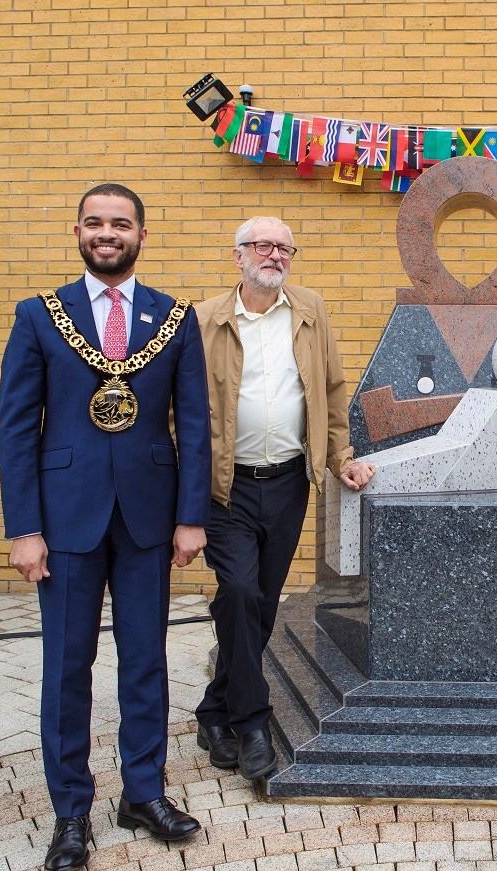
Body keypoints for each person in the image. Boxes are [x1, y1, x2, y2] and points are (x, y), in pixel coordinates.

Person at [0, 184, 211, 870]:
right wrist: (24, 527)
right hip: (64, 518)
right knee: (66, 668)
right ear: (79, 230)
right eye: (95, 222)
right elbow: (14, 428)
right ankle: (70, 811)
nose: (107, 232)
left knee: (147, 661)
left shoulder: (172, 317)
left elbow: (197, 423)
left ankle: (143, 792)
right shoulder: (39, 315)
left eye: (120, 223)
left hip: (151, 515)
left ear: (141, 234)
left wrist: (191, 517)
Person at [194, 217, 375, 782]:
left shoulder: (309, 309)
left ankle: (212, 710)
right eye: (263, 246)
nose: (275, 255)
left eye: (284, 247)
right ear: (238, 254)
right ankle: (251, 721)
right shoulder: (203, 320)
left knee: (261, 603)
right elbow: (181, 406)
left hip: (290, 480)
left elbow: (332, 388)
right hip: (225, 487)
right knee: (239, 590)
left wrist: (340, 457)